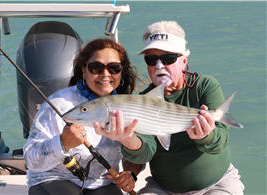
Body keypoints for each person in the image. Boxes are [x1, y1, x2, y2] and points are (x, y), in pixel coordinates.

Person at [95, 21, 245, 194]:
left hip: (218, 183)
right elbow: (146, 151)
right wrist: (128, 141)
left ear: (183, 61)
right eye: (151, 59)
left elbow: (219, 143)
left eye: (168, 59)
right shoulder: (141, 102)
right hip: (163, 188)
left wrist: (206, 136)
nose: (159, 66)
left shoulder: (205, 86)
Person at [23, 38, 137, 195]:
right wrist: (62, 143)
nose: (105, 74)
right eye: (96, 67)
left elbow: (134, 152)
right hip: (54, 178)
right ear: (84, 70)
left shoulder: (128, 106)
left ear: (121, 71)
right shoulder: (59, 104)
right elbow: (30, 160)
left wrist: (130, 174)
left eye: (113, 68)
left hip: (102, 182)